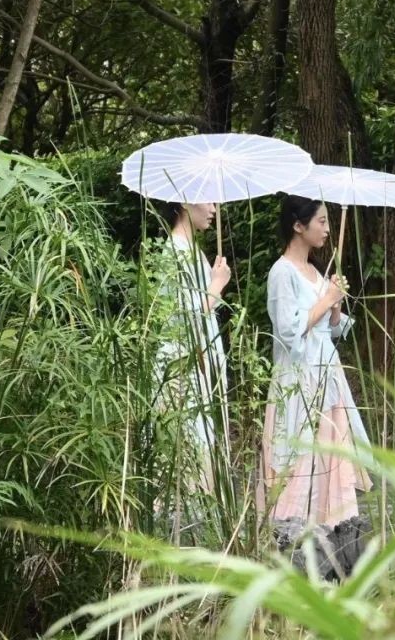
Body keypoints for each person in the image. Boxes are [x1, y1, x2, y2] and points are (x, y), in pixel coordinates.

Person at [260, 194, 372, 580]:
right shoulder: (283, 272)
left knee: (331, 460)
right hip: (299, 381)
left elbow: (333, 331)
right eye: (321, 221)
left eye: (327, 221)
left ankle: (333, 554)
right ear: (298, 225)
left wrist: (335, 306)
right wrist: (326, 300)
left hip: (328, 377)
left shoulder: (315, 271)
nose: (326, 229)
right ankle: (292, 551)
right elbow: (288, 331)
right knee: (300, 459)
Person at [152, 201, 231, 540]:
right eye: (208, 200)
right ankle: (182, 532)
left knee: (200, 443)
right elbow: (183, 320)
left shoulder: (192, 250)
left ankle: (196, 531)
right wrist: (216, 286)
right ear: (185, 202)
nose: (214, 208)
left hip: (195, 362)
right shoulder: (175, 250)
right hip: (181, 365)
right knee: (188, 444)